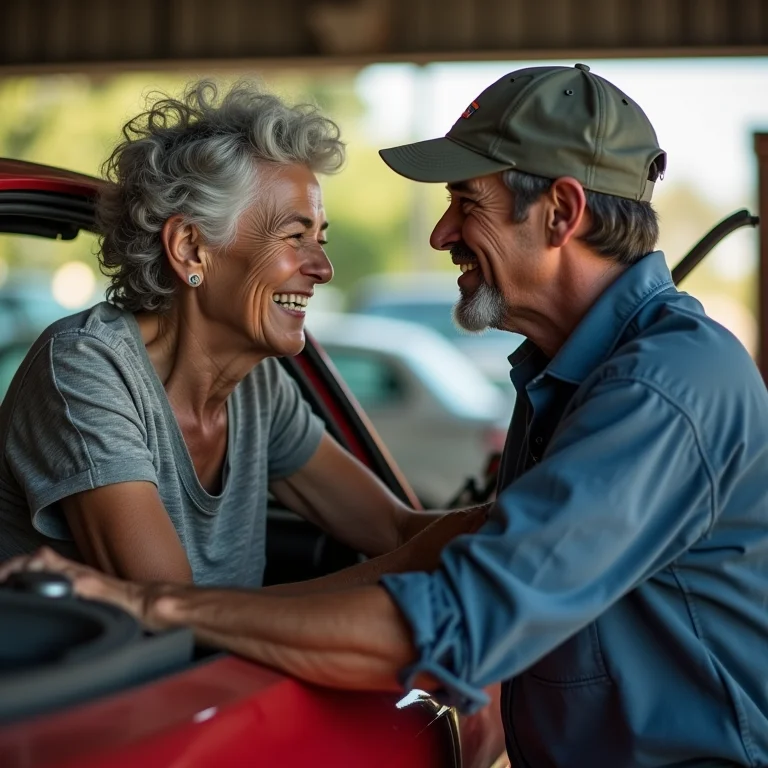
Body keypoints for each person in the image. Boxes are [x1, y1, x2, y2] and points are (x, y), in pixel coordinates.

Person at [4, 63, 768, 766]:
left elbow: (437, 594)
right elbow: (408, 548)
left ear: (561, 212)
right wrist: (500, 532)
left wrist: (489, 545)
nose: (439, 235)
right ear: (189, 249)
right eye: (294, 236)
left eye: (466, 204)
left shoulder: (658, 385)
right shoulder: (565, 375)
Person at [0, 80, 483, 587]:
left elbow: (394, 526)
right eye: (295, 237)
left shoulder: (257, 388)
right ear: (189, 248)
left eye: (320, 238)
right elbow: (171, 609)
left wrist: (525, 522)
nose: (324, 268)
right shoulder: (84, 370)